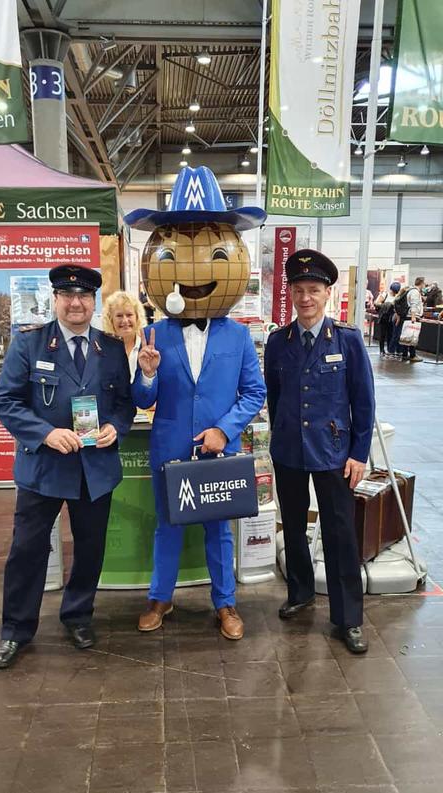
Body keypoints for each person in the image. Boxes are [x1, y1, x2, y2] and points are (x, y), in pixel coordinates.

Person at [125, 165, 267, 640]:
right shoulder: (153, 333)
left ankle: (225, 604)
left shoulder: (240, 337)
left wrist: (224, 429)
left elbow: (255, 393)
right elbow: (143, 398)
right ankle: (160, 598)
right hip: (168, 447)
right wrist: (144, 374)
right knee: (166, 529)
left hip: (218, 450)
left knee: (217, 532)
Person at [0, 264, 135, 669]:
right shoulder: (29, 345)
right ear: (55, 300)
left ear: (94, 302)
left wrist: (114, 428)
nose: (76, 303)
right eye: (68, 296)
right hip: (44, 468)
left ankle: (78, 615)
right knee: (27, 550)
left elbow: (124, 404)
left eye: (84, 296)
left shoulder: (110, 349)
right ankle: (15, 630)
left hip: (96, 468)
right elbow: (6, 401)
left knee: (90, 548)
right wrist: (45, 433)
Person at [264, 249, 375, 654]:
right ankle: (301, 592)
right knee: (292, 526)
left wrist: (358, 454)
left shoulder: (346, 340)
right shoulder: (279, 342)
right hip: (289, 451)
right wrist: (280, 438)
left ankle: (348, 618)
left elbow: (363, 402)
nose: (305, 298)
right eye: (298, 289)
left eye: (313, 289)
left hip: (334, 453)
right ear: (290, 293)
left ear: (328, 293)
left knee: (340, 534)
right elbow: (274, 398)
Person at [103, 290, 146, 381]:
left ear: (137, 317)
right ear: (111, 320)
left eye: (129, 315)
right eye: (119, 316)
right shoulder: (102, 350)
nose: (125, 321)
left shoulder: (147, 347)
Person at [394, 276, 425, 363]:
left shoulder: (410, 290)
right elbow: (414, 305)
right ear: (421, 283)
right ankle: (412, 355)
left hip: (408, 316)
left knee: (406, 336)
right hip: (412, 317)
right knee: (412, 336)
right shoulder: (415, 292)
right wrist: (413, 317)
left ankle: (405, 354)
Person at [375, 282, 399, 357]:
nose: (394, 293)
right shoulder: (385, 294)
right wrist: (386, 305)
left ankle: (389, 349)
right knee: (382, 334)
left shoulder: (397, 296)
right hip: (384, 316)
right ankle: (381, 350)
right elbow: (376, 303)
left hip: (392, 317)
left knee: (390, 334)